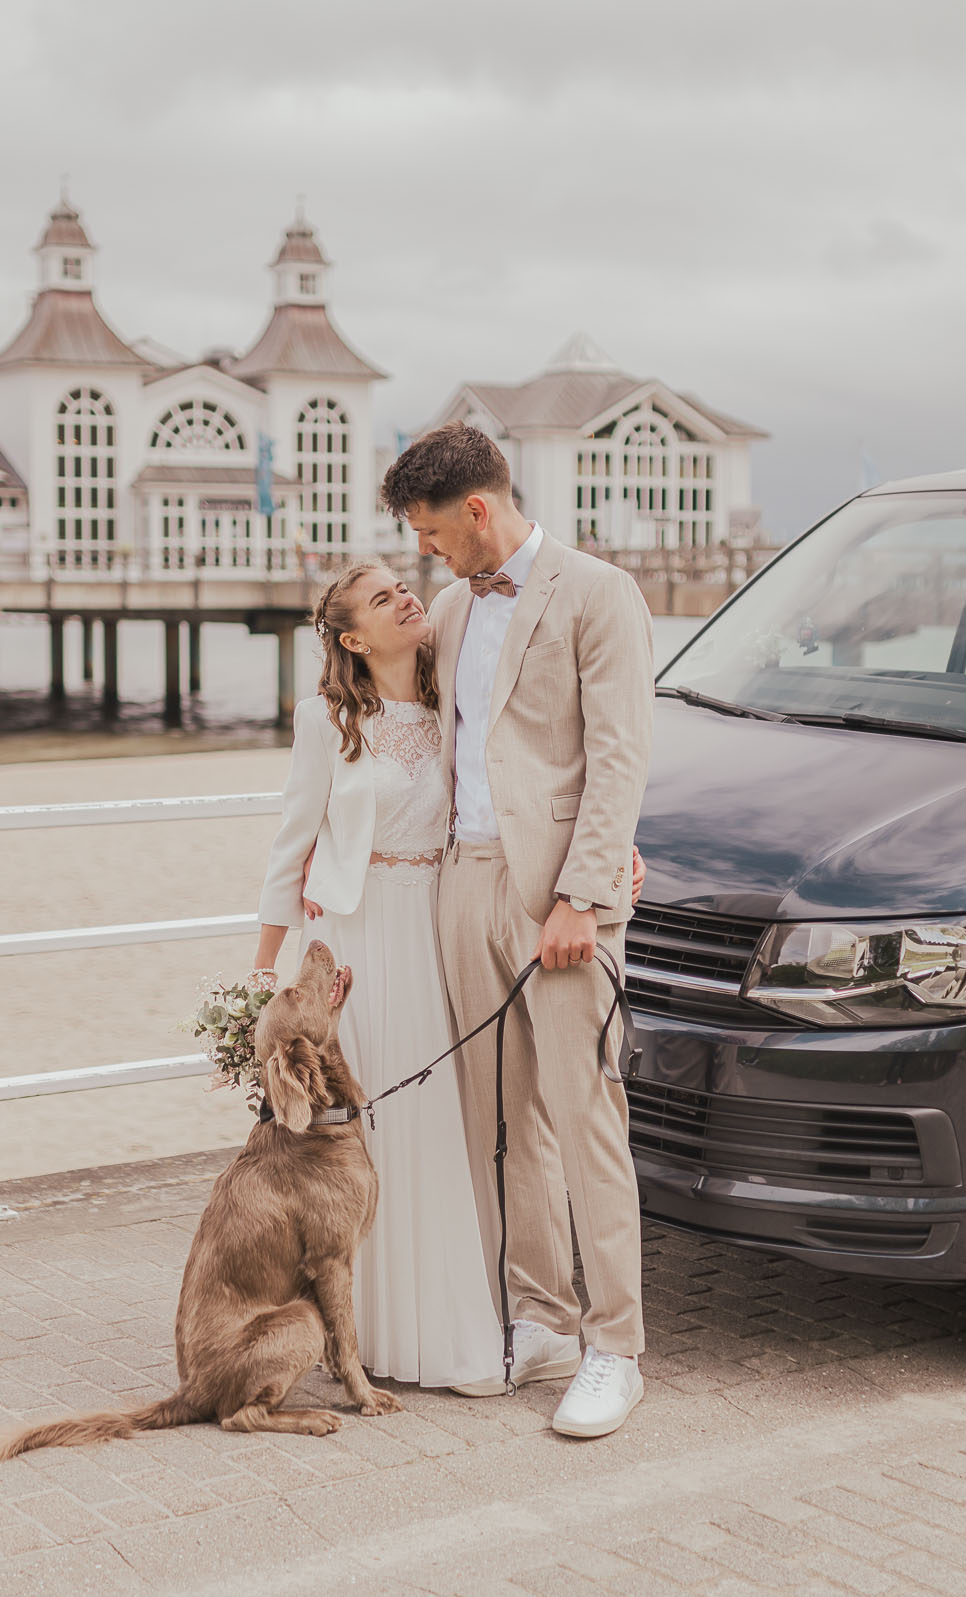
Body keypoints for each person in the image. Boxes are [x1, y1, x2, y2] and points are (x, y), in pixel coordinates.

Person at [250, 560, 649, 1394]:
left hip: (436, 926)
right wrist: (263, 976)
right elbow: (290, 848)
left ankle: (453, 1330)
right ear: (353, 638)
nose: (410, 595)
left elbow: (537, 776)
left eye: (406, 582)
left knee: (447, 1127)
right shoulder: (324, 719)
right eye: (386, 596)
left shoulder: (452, 705)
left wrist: (607, 854)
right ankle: (367, 1335)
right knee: (363, 1138)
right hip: (356, 940)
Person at [382, 423, 657, 1440]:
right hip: (464, 885)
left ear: (479, 510)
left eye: (435, 534)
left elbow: (620, 754)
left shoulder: (598, 592)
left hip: (559, 903)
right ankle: (537, 1320)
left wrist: (586, 894)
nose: (431, 556)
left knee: (588, 1118)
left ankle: (616, 1347)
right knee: (496, 1124)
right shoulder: (450, 610)